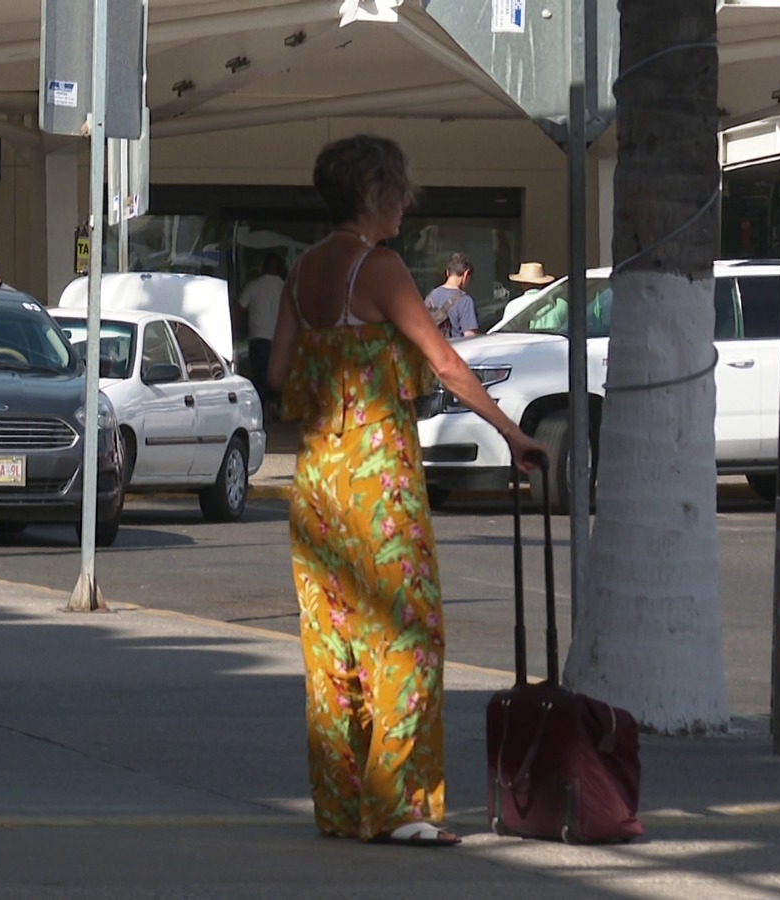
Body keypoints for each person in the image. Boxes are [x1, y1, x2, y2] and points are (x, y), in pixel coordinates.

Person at [267, 134, 546, 846]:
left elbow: (279, 376)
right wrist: (511, 434)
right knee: (408, 637)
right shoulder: (379, 266)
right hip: (378, 480)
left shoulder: (303, 272)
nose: (405, 206)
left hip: (317, 481)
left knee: (332, 648)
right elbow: (446, 364)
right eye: (398, 193)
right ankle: (397, 807)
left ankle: (342, 804)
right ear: (373, 194)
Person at [238, 253, 286, 414]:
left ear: (263, 267)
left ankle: (262, 410)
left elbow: (238, 310)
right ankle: (277, 407)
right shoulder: (286, 287)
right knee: (278, 374)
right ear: (280, 269)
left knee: (259, 375)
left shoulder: (252, 285)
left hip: (258, 338)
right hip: (281, 339)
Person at [423, 253, 478, 339]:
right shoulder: (465, 301)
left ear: (447, 273)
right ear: (466, 274)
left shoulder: (431, 297)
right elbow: (470, 338)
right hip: (455, 350)